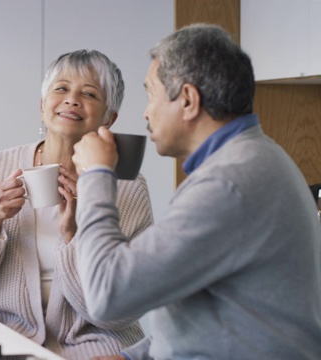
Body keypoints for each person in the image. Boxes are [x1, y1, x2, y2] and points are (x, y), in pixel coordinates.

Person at [72, 24, 321, 360]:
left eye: (151, 94)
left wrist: (96, 174)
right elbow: (213, 312)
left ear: (188, 100)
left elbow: (107, 293)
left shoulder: (229, 183)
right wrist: (132, 357)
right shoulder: (255, 157)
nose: (146, 112)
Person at [0, 49, 154, 360]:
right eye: (61, 89)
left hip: (99, 348)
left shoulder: (126, 187)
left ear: (108, 118)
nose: (72, 99)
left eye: (89, 93)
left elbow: (121, 310)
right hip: (6, 342)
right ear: (43, 106)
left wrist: (75, 237)